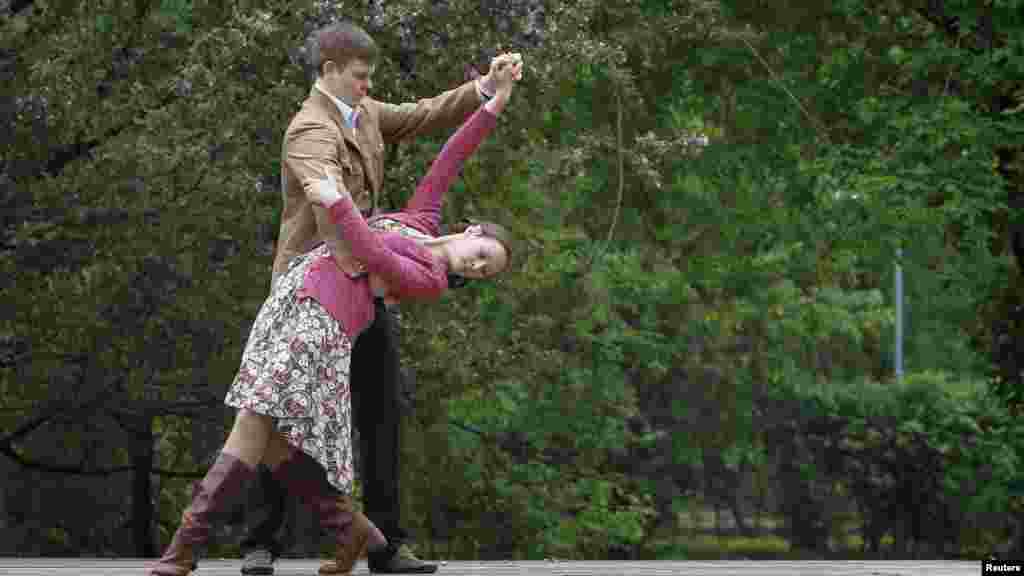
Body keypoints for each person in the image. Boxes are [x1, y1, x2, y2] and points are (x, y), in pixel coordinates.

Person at [147, 55, 521, 576]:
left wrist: (337, 203)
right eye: (482, 256)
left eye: (483, 273)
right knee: (274, 437)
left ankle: (181, 553)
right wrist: (494, 102)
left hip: (322, 325)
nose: (476, 267)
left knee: (257, 425)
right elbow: (449, 158)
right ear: (472, 230)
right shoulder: (420, 219)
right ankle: (351, 532)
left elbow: (377, 257)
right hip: (293, 300)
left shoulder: (430, 278)